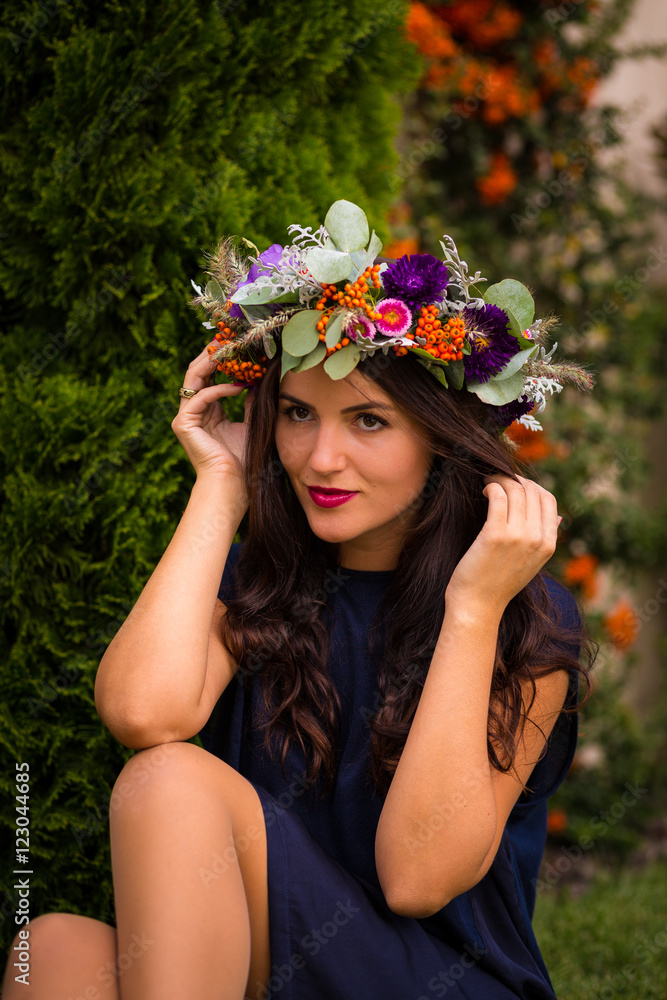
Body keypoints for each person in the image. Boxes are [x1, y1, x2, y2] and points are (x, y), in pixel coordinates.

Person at [3, 203, 596, 1000]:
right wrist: (222, 487)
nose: (321, 457)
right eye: (296, 414)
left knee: (173, 782)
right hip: (271, 966)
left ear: (441, 438)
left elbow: (416, 880)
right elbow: (143, 713)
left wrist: (470, 610)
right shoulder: (259, 580)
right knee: (57, 954)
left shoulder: (521, 614)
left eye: (368, 421)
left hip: (437, 979)